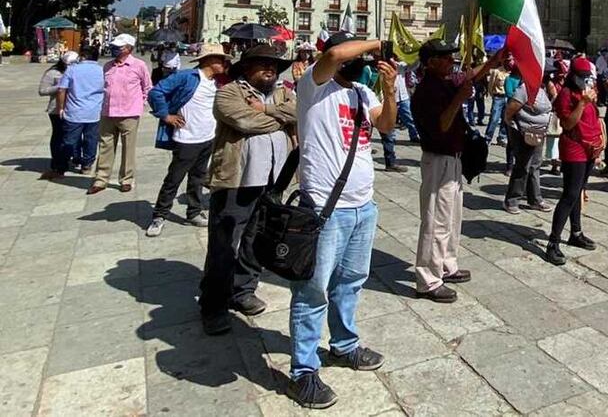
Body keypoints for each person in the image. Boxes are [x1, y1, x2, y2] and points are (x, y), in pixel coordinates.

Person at [285, 33, 396, 409]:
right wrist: (375, 42)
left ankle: (344, 344)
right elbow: (333, 53)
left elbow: (386, 126)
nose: (358, 61)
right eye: (355, 54)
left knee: (351, 280)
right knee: (312, 289)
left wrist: (391, 89)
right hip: (323, 208)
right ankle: (303, 371)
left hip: (363, 205)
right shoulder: (314, 86)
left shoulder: (364, 94)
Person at [199, 44, 296, 336]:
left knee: (258, 237)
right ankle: (213, 303)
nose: (270, 69)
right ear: (246, 67)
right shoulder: (230, 92)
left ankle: (243, 289)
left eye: (274, 65)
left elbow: (300, 113)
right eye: (263, 64)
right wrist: (280, 119)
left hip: (274, 178)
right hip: (237, 179)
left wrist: (269, 110)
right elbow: (243, 120)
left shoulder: (282, 93)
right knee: (225, 242)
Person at [411, 38, 500, 304]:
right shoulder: (427, 90)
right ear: (431, 62)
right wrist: (459, 100)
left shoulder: (445, 82)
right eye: (446, 57)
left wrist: (493, 61)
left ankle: (447, 264)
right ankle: (427, 279)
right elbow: (441, 125)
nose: (452, 61)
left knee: (451, 218)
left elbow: (469, 75)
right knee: (436, 220)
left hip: (453, 158)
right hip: (438, 159)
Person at [145, 44, 231, 236]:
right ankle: (160, 215)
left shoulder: (216, 82)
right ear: (209, 60)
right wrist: (165, 115)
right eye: (220, 59)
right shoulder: (187, 77)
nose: (224, 63)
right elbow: (156, 92)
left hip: (208, 137)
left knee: (198, 178)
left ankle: (193, 212)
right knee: (174, 178)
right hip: (187, 138)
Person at [547, 57, 603, 266]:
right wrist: (582, 103)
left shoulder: (587, 90)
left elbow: (592, 119)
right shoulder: (566, 94)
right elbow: (568, 124)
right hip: (573, 149)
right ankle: (553, 243)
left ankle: (576, 232)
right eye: (582, 77)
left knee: (579, 192)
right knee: (569, 195)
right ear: (573, 77)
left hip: (589, 147)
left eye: (587, 76)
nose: (585, 80)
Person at [87, 34, 151, 194]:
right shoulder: (108, 66)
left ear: (129, 48)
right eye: (114, 47)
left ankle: (126, 179)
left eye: (119, 47)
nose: (115, 49)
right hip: (108, 112)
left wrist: (140, 103)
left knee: (128, 147)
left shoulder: (139, 65)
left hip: (129, 113)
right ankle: (101, 179)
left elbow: (148, 87)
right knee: (105, 146)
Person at [503, 69, 555, 214]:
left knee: (535, 166)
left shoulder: (542, 90)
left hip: (539, 133)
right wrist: (512, 124)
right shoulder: (525, 88)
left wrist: (553, 93)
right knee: (523, 166)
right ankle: (512, 200)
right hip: (524, 133)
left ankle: (535, 199)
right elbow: (511, 108)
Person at [56, 47, 105, 177]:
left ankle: (64, 164)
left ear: (82, 56)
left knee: (69, 140)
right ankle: (87, 165)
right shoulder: (102, 71)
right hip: (94, 111)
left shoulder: (72, 70)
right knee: (91, 139)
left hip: (74, 111)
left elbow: (62, 90)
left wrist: (60, 107)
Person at [39, 51, 80, 179]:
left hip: (74, 109)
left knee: (73, 136)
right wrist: (60, 86)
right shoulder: (53, 73)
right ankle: (56, 162)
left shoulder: (78, 71)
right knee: (59, 135)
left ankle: (72, 159)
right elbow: (42, 90)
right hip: (56, 110)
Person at [484, 55, 513, 146]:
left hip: (508, 97)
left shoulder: (512, 72)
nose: (509, 62)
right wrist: (492, 95)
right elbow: (491, 85)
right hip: (498, 97)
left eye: (510, 60)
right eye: (507, 60)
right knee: (494, 118)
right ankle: (488, 138)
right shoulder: (497, 71)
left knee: (505, 119)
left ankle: (502, 137)